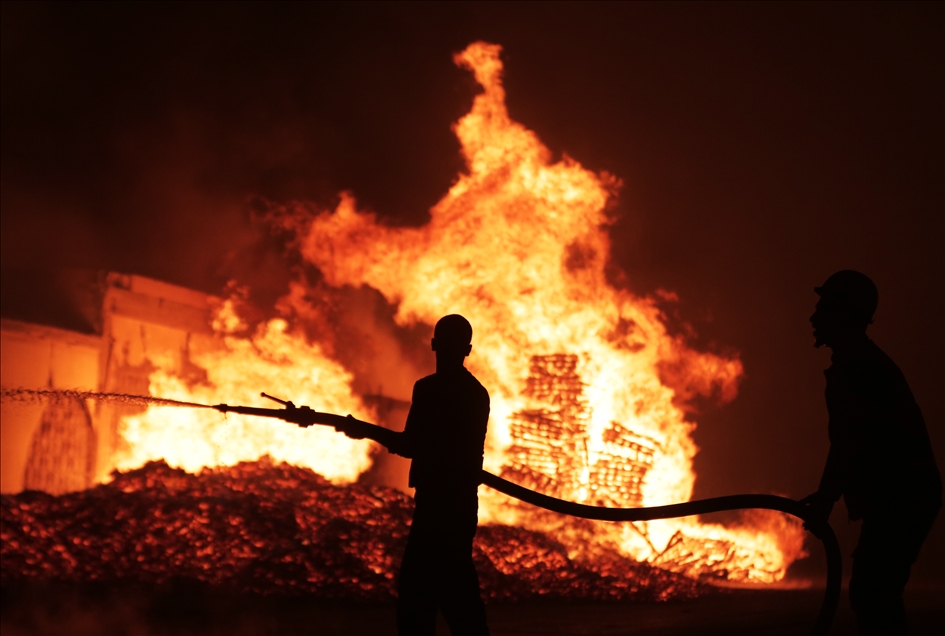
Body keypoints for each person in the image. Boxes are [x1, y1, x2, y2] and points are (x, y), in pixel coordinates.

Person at [801, 270, 941, 635]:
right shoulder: (856, 363)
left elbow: (852, 441)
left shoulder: (860, 368)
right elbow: (850, 443)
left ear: (845, 315)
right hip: (901, 493)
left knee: (873, 592)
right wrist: (825, 496)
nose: (814, 318)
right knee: (874, 591)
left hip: (904, 494)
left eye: (824, 308)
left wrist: (826, 500)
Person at [337, 314, 491, 636]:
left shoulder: (435, 391)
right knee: (444, 595)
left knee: (429, 597)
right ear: (469, 349)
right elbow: (414, 445)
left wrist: (362, 429)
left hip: (444, 506)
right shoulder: (474, 393)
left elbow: (409, 445)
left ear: (435, 344)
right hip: (451, 505)